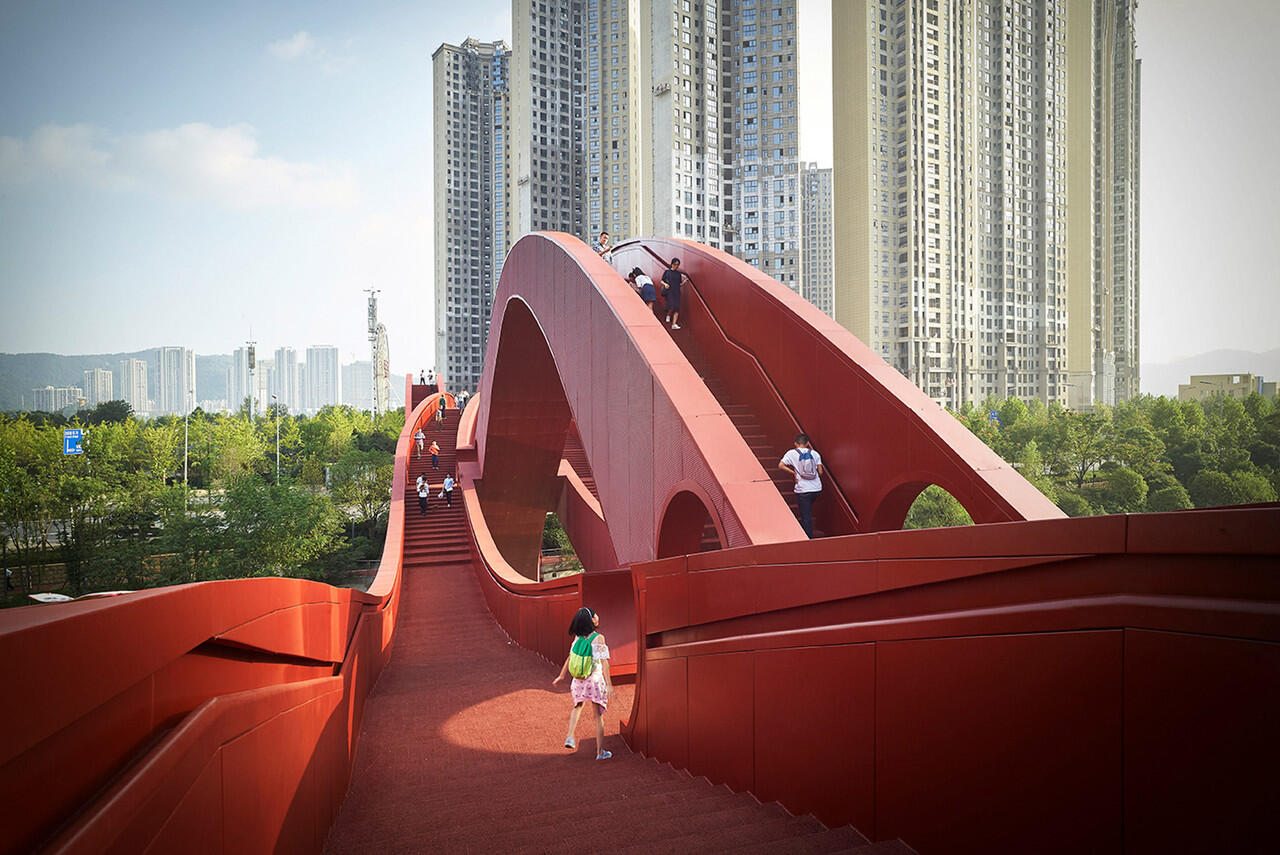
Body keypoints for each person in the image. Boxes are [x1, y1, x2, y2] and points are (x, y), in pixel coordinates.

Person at [552, 606, 614, 760]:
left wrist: (561, 676)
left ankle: (570, 736)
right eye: (595, 614)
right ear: (591, 620)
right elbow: (604, 662)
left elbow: (570, 657)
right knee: (598, 716)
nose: (597, 616)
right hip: (594, 681)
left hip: (578, 681)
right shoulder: (598, 638)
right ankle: (600, 753)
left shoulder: (577, 638)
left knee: (577, 707)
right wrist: (610, 685)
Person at [779, 433, 825, 538]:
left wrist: (793, 473)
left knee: (806, 516)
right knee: (807, 511)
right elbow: (820, 472)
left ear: (795, 443)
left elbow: (780, 465)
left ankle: (809, 539)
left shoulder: (791, 453)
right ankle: (805, 532)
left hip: (803, 489)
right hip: (817, 488)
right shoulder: (815, 454)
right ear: (807, 443)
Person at [661, 257, 688, 330]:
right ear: (672, 264)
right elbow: (662, 280)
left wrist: (684, 282)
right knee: (671, 305)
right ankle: (668, 315)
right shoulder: (667, 272)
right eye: (675, 264)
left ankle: (674, 324)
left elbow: (679, 284)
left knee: (677, 307)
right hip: (670, 291)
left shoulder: (678, 274)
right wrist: (665, 284)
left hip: (677, 291)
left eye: (678, 265)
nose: (676, 266)